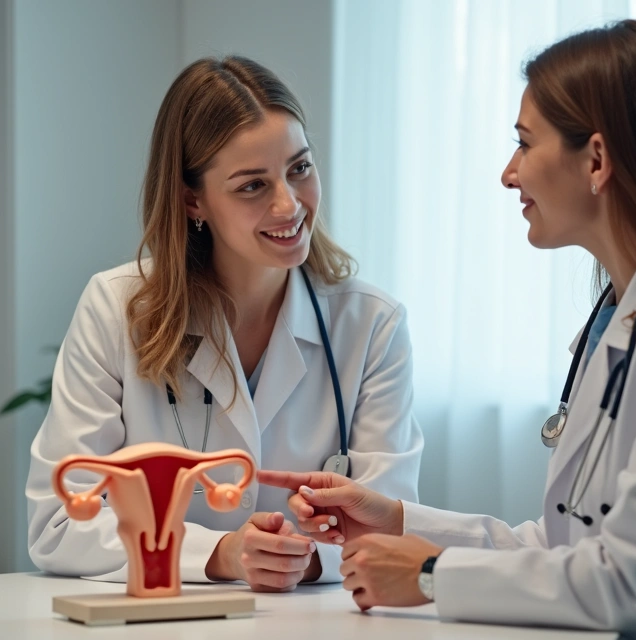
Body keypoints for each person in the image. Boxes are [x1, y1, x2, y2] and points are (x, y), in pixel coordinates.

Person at [260, 20, 636, 638]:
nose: (509, 174)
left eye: (524, 143)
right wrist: (394, 520)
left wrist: (433, 573)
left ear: (596, 159)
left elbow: (632, 586)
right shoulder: (625, 314)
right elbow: (569, 545)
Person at [26, 56, 423, 592]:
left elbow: (390, 527)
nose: (289, 204)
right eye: (252, 186)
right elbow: (59, 521)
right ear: (193, 200)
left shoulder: (371, 325)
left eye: (299, 169)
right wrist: (222, 553)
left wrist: (302, 559)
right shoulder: (115, 309)